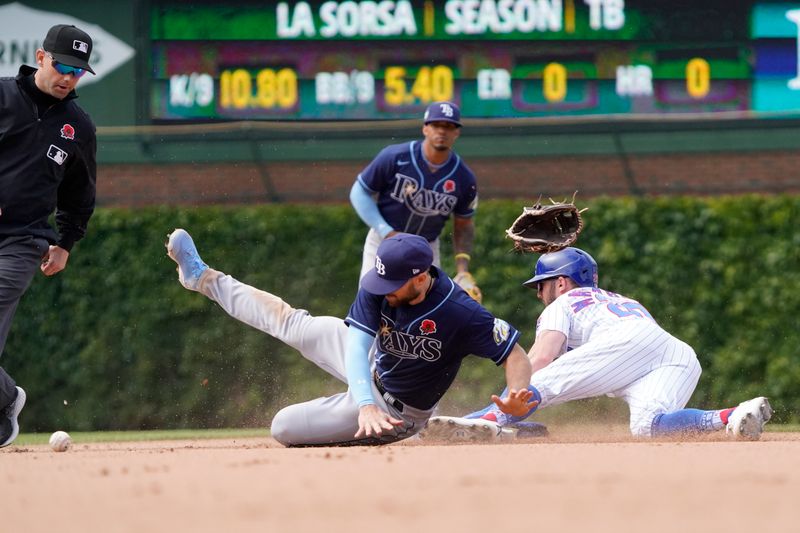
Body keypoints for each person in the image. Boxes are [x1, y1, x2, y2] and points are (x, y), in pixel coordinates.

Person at [165, 229, 536, 446]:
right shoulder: (380, 284)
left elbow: (515, 355)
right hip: (372, 369)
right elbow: (357, 347)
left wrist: (517, 395)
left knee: (282, 427)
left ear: (421, 278)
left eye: (393, 284)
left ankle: (432, 433)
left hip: (397, 410)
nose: (382, 290)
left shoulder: (460, 312)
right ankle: (203, 278)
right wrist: (364, 403)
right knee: (291, 322)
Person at [424, 247, 772, 441]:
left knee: (537, 383)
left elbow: (542, 357)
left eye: (540, 285)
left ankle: (473, 423)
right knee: (649, 426)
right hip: (676, 353)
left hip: (627, 345)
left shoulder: (563, 303)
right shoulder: (616, 299)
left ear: (561, 283)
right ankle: (731, 415)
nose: (539, 294)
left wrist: (514, 393)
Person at [0, 24, 97, 448]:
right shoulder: (2, 97)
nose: (68, 77)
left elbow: (80, 194)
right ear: (41, 57)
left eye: (77, 71)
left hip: (22, 242)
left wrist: (65, 243)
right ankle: (6, 400)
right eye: (62, 66)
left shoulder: (77, 125)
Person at [350, 101, 480, 299]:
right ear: (425, 128)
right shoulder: (395, 157)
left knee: (426, 310)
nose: (442, 131)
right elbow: (359, 192)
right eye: (436, 125)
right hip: (383, 241)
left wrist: (462, 269)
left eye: (449, 126)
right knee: (371, 301)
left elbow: (464, 224)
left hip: (425, 249)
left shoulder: (464, 178)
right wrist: (386, 231)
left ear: (457, 133)